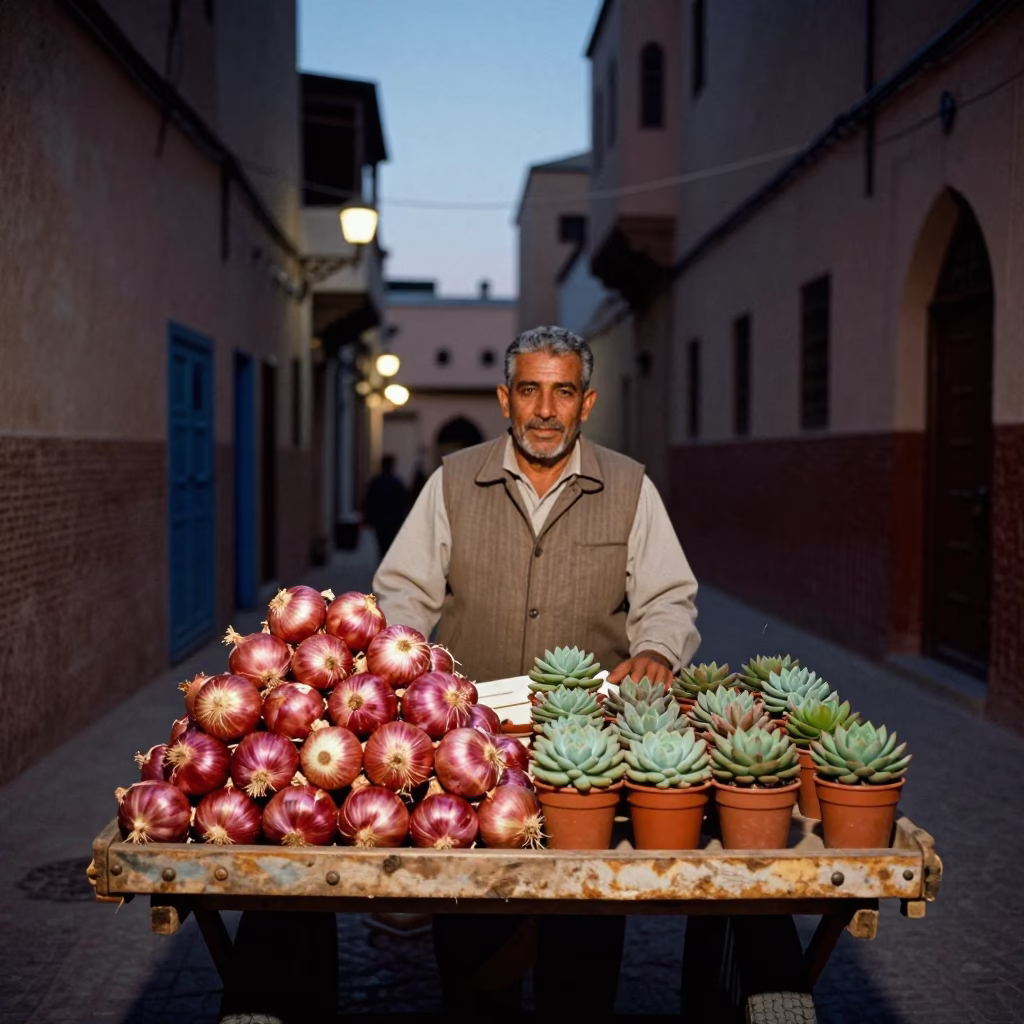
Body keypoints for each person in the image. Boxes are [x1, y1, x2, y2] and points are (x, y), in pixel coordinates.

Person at [373, 325, 701, 1016]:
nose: (545, 410)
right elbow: (402, 591)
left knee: (582, 948)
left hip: (586, 756)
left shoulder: (631, 486)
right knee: (473, 946)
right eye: (530, 391)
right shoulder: (454, 481)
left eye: (563, 392)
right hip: (469, 755)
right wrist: (405, 662)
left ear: (587, 403)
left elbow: (669, 598)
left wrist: (658, 651)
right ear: (504, 399)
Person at [362, 453, 410, 559]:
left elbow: (369, 501)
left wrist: (368, 517)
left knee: (382, 546)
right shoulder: (396, 482)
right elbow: (403, 502)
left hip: (381, 520)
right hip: (392, 520)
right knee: (389, 546)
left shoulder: (376, 482)